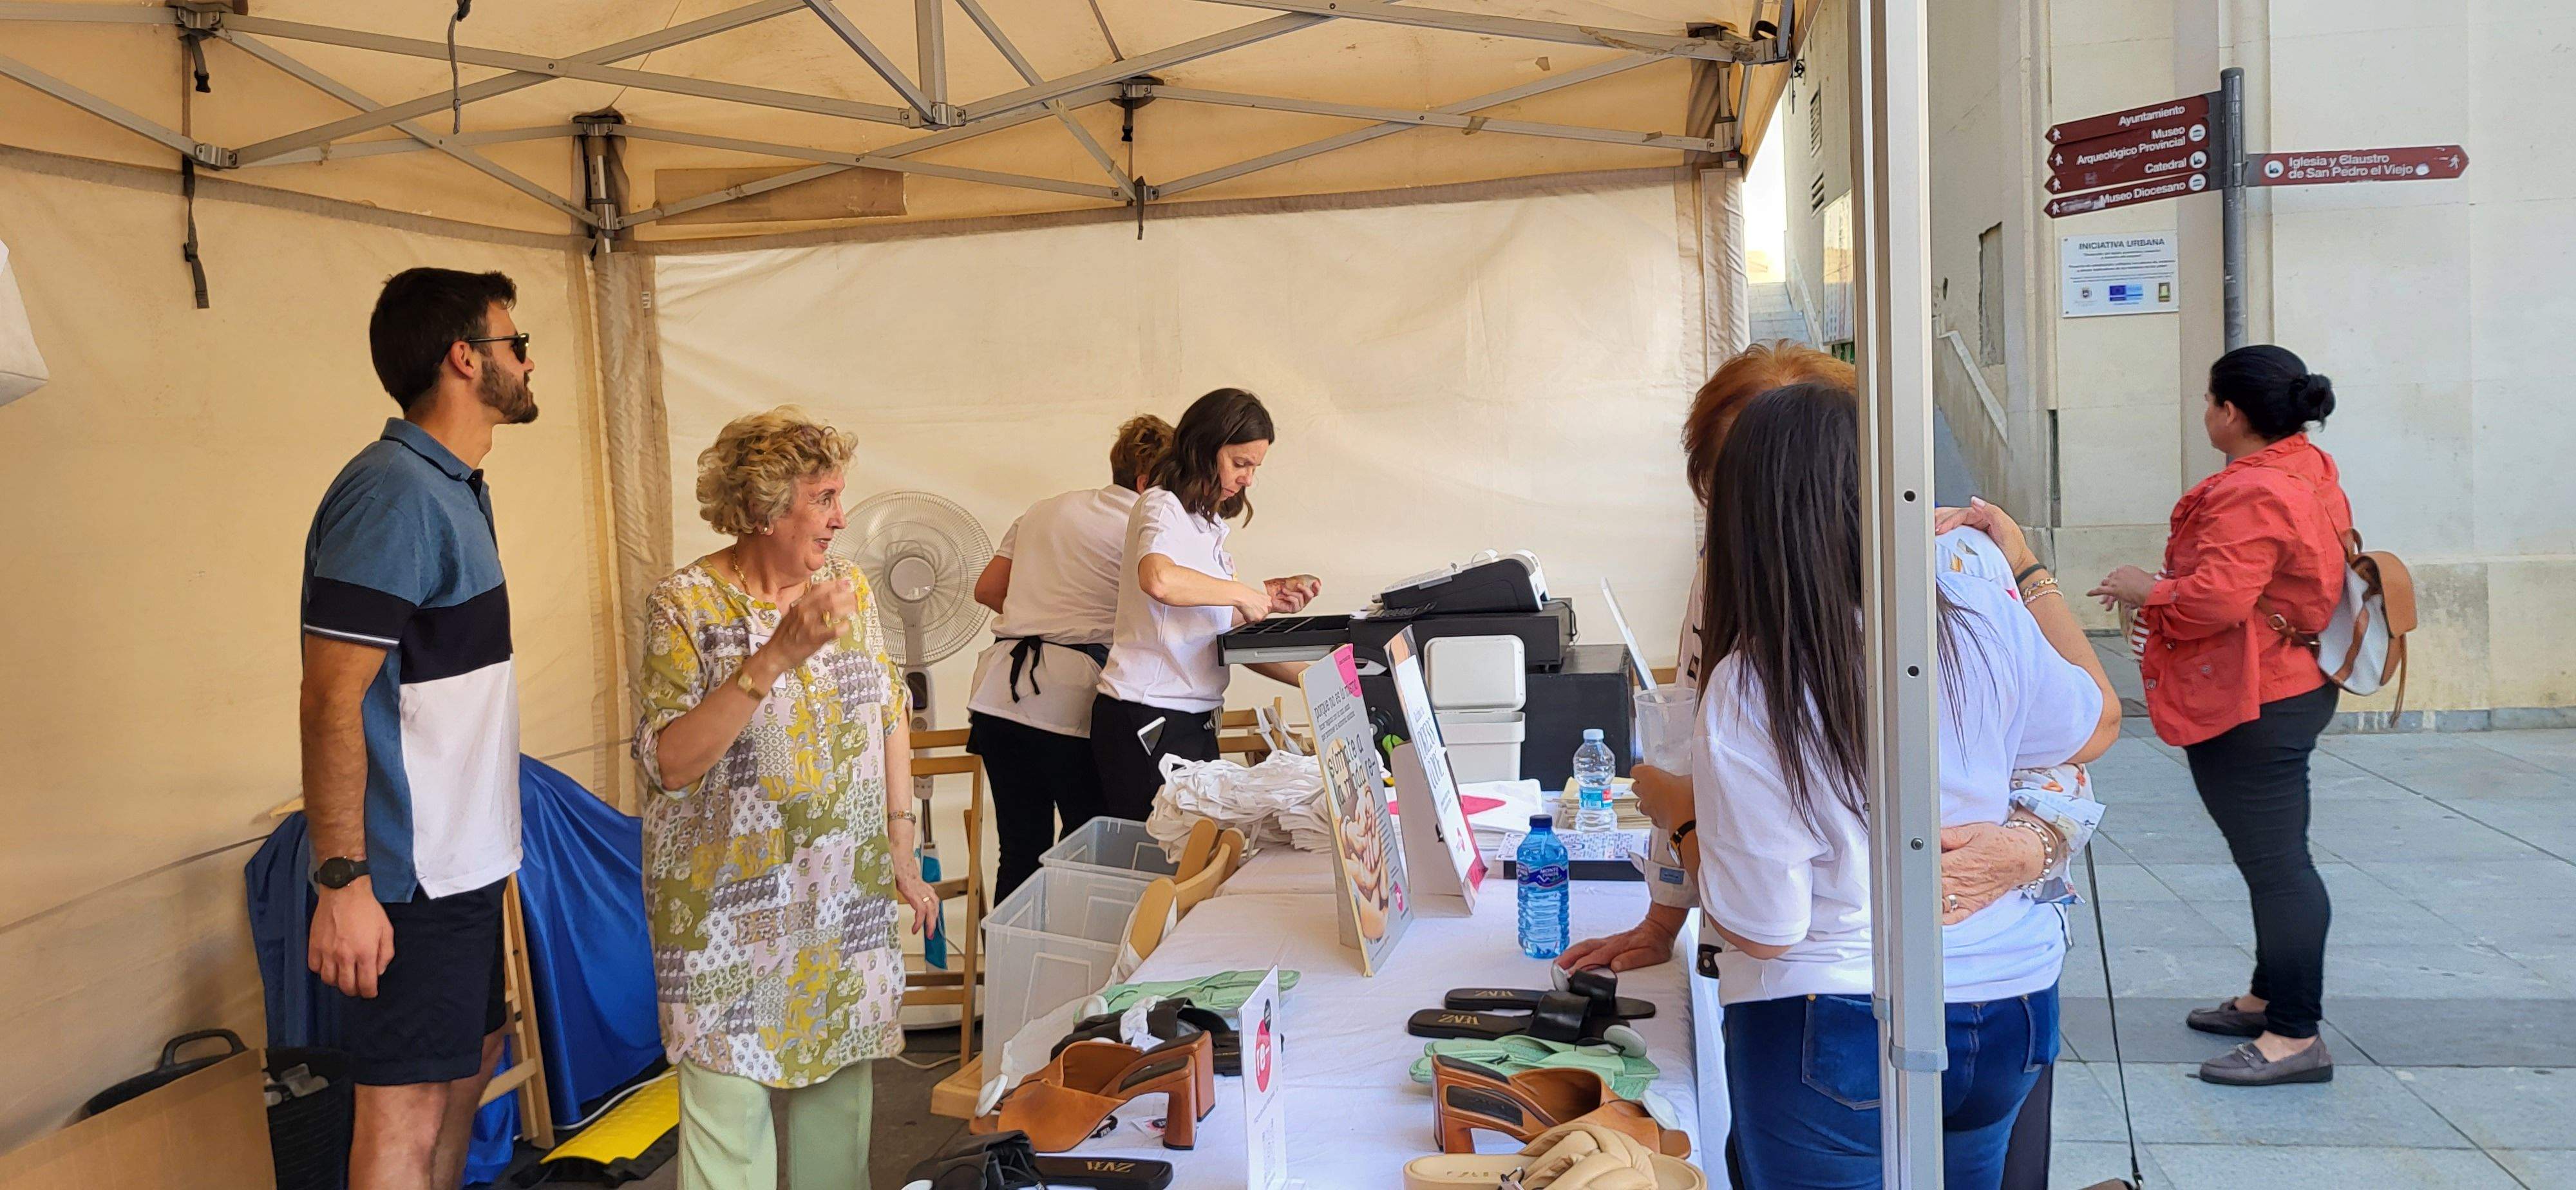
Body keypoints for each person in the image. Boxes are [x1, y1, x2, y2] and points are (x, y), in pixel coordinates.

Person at [1625, 382, 2122, 1189]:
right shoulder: (1976, 605)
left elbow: (1766, 927)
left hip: (1826, 1017)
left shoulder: (1754, 684)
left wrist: (1682, 820)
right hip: (2009, 1001)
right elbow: (2075, 735)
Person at [632, 408, 942, 1190]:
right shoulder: (685, 606)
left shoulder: (852, 593)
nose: (842, 518)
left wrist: (901, 847)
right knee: (727, 1130)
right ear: (767, 505)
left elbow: (888, 716)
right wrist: (775, 655)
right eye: (825, 498)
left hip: (843, 898)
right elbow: (668, 763)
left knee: (837, 1132)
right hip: (722, 913)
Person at [299, 267, 537, 1190]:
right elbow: (329, 698)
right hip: (408, 876)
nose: (527, 362)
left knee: (460, 1075)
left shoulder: (454, 486)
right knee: (402, 1113)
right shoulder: (392, 493)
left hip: (465, 865)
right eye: (517, 344)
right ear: (466, 359)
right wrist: (344, 883)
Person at [2089, 344, 2351, 1086]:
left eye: (2209, 401)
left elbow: (2217, 599)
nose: (2204, 413)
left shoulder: (2252, 491)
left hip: (2257, 695)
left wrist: (2148, 587)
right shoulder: (2305, 466)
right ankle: (2267, 997)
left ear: (2229, 413)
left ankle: (2294, 1036)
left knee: (2276, 867)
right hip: (2290, 679)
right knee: (2273, 856)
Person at [967, 415, 1174, 900]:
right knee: (1087, 842)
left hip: (999, 698)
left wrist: (1041, 615)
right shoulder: (1145, 527)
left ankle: (1010, 972)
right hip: (1067, 703)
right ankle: (1071, 966)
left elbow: (989, 589)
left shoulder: (1045, 508)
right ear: (1146, 483)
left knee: (1019, 847)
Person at [1090, 388, 1321, 818]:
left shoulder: (1206, 527)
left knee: (1195, 858)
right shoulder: (1161, 505)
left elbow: (1225, 638)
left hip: (1192, 719)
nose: (1249, 479)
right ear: (1204, 449)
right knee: (1162, 864)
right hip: (1147, 713)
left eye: (1255, 467)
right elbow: (1158, 579)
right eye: (1240, 463)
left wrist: (1322, 680)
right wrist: (1240, 593)